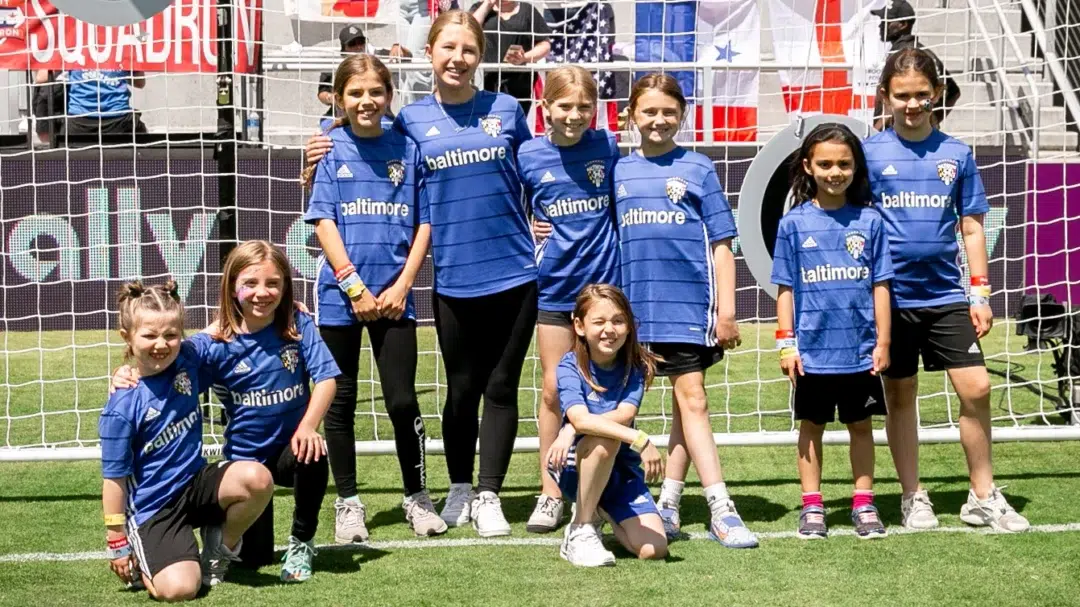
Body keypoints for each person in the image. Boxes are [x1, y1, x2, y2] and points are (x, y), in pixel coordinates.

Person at [306, 10, 537, 538]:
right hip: (444, 280)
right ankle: (419, 493)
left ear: (481, 56)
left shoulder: (506, 109)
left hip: (504, 273)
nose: (458, 58)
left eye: (469, 50)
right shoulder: (406, 125)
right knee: (449, 391)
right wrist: (315, 149)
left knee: (494, 387)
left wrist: (554, 207)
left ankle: (485, 494)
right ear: (429, 52)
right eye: (448, 48)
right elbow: (336, 178)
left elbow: (534, 165)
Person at [866, 47, 1030, 532]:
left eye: (921, 95)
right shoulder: (868, 154)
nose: (912, 104)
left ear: (936, 93)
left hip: (945, 296)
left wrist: (981, 292)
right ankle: (913, 496)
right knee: (901, 395)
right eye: (902, 96)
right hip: (889, 299)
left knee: (977, 386)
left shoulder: (956, 154)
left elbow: (973, 227)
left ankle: (982, 495)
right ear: (886, 96)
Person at [112, 242, 340, 583]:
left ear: (286, 287)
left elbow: (326, 380)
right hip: (245, 463)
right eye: (251, 283)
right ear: (232, 287)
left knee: (313, 453)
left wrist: (308, 426)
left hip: (288, 450)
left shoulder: (297, 323)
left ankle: (302, 542)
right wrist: (125, 373)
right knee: (253, 559)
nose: (263, 293)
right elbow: (163, 356)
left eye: (273, 284)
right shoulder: (215, 343)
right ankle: (217, 532)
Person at [303, 54, 445, 539]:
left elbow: (424, 222)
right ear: (339, 99)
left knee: (403, 400)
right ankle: (348, 503)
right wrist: (353, 286)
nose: (367, 101)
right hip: (342, 298)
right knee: (339, 402)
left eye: (376, 92)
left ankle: (417, 496)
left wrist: (403, 284)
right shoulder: (329, 149)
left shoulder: (407, 150)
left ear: (389, 97)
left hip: (395, 299)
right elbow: (323, 223)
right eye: (356, 93)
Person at [614, 73, 758, 549]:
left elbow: (722, 244)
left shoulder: (698, 169)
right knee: (626, 411)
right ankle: (656, 502)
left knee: (691, 398)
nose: (658, 120)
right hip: (630, 312)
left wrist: (727, 310)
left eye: (668, 112)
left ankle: (720, 506)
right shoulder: (619, 170)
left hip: (686, 307)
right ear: (631, 114)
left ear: (683, 115)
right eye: (649, 111)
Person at [100, 280, 273, 601]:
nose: (161, 344)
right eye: (149, 335)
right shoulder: (122, 406)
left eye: (170, 334)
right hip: (156, 507)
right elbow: (114, 481)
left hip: (196, 484)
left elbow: (231, 320)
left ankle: (217, 547)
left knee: (257, 479)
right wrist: (116, 540)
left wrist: (292, 309)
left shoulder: (188, 358)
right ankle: (146, 564)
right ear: (127, 337)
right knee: (180, 590)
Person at [771, 123, 893, 540]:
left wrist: (884, 341)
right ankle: (813, 507)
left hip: (859, 351)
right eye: (825, 163)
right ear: (808, 166)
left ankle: (863, 503)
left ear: (856, 167)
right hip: (813, 353)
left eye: (843, 163)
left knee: (861, 426)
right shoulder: (793, 224)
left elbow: (881, 285)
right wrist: (787, 344)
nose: (834, 171)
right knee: (812, 428)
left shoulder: (871, 222)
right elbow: (785, 289)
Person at [516, 65, 619, 533]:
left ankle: (596, 490)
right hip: (554, 288)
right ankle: (550, 490)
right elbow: (510, 205)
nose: (574, 115)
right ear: (545, 108)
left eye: (583, 106)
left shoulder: (608, 147)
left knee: (600, 391)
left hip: (603, 292)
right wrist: (530, 226)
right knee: (555, 390)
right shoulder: (529, 155)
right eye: (565, 106)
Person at [545, 284, 667, 566]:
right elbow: (581, 417)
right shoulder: (569, 366)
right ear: (579, 325)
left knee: (654, 549)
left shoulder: (635, 368)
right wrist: (641, 439)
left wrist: (572, 428)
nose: (608, 329)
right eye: (598, 322)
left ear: (628, 326)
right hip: (576, 464)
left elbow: (622, 415)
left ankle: (599, 509)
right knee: (606, 440)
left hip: (620, 471)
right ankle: (580, 529)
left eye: (617, 321)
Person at [871, 0, 960, 127]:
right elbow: (953, 91)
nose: (881, 25)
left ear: (903, 24)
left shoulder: (905, 56)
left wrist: (878, 129)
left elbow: (952, 91)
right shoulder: (920, 50)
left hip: (901, 135)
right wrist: (931, 120)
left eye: (886, 22)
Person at [470, 0, 551, 115]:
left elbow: (545, 45)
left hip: (520, 81)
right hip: (487, 79)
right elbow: (468, 29)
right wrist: (488, 4)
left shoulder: (527, 10)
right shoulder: (480, 7)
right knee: (489, 121)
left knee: (514, 120)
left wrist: (524, 58)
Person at [318, 24, 411, 124]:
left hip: (378, 113)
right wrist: (331, 98)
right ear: (344, 49)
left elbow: (408, 58)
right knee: (326, 129)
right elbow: (322, 92)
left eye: (361, 42)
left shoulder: (377, 57)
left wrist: (398, 48)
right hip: (341, 114)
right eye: (352, 44)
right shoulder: (334, 65)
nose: (358, 47)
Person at [65, 69, 147, 137]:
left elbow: (59, 78)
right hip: (119, 120)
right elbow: (140, 83)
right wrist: (116, 75)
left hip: (78, 121)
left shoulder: (69, 50)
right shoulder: (125, 50)